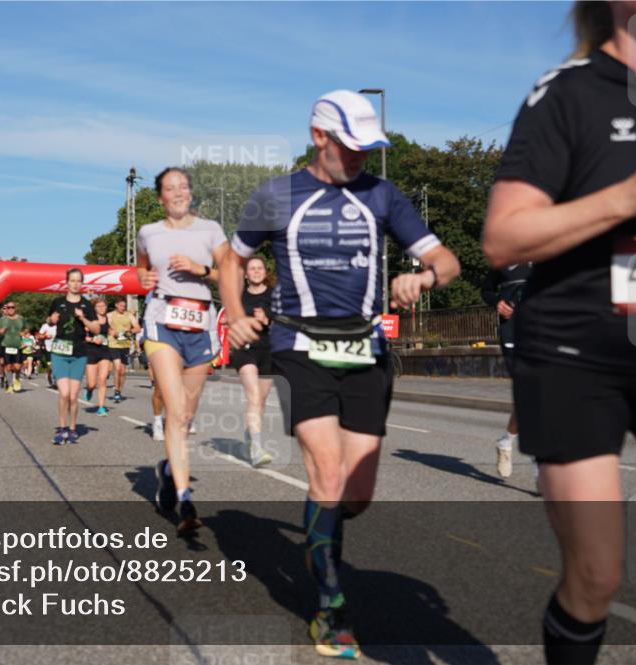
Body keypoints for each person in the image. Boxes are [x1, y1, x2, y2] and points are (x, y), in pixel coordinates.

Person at [481, 3, 636, 664]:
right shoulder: (569, 92)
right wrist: (631, 197)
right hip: (576, 354)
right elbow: (502, 237)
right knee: (598, 574)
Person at [221, 90, 460, 658]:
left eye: (366, 149)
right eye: (349, 147)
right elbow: (230, 259)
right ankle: (331, 609)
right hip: (299, 344)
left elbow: (445, 261)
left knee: (356, 495)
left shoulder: (382, 194)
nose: (358, 158)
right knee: (326, 476)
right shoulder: (276, 195)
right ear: (318, 136)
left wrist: (422, 280)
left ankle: (322, 525)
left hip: (366, 348)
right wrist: (233, 315)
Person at [138, 167, 230, 534]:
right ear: (160, 198)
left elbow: (231, 274)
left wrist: (200, 268)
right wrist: (142, 278)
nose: (177, 192)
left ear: (190, 193)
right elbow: (140, 268)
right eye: (168, 188)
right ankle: (184, 497)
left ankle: (164, 471)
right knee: (175, 411)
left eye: (183, 186)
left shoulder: (211, 231)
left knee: (186, 417)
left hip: (200, 325)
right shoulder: (149, 233)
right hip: (161, 320)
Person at [480, 264, 531, 478]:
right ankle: (542, 471)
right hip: (513, 333)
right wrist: (497, 303)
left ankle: (506, 442)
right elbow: (486, 290)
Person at [228, 256, 275, 468]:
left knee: (261, 400)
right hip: (244, 350)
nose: (256, 271)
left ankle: (251, 435)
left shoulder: (276, 296)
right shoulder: (238, 296)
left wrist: (268, 321)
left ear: (265, 272)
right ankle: (257, 448)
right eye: (252, 269)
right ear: (246, 274)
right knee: (254, 395)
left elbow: (286, 323)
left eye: (259, 268)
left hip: (268, 350)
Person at [48, 269, 100, 444]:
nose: (75, 284)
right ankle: (61, 428)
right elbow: (49, 320)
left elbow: (96, 329)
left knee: (73, 395)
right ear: (67, 282)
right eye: (72, 280)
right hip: (60, 352)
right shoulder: (57, 302)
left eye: (79, 281)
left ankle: (72, 428)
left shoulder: (86, 305)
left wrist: (83, 318)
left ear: (82, 284)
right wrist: (51, 321)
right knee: (64, 393)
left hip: (79, 353)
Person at [83, 299, 114, 415]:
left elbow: (112, 331)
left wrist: (114, 333)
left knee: (102, 379)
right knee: (92, 383)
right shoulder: (90, 320)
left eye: (104, 306)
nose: (102, 308)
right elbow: (82, 336)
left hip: (104, 352)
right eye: (99, 306)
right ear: (94, 308)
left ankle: (101, 407)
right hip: (90, 351)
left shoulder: (108, 319)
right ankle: (89, 390)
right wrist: (92, 339)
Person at [107, 297, 141, 403]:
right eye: (121, 305)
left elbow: (138, 328)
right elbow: (106, 326)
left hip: (125, 344)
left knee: (122, 371)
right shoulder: (110, 315)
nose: (123, 307)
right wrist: (112, 331)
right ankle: (116, 392)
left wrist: (129, 330)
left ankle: (119, 390)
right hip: (113, 344)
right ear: (116, 305)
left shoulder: (129, 315)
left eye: (124, 306)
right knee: (117, 367)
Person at [0, 301, 26, 393]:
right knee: (8, 367)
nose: (10, 309)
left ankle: (17, 378)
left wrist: (24, 334)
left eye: (12, 307)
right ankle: (10, 385)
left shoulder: (21, 318)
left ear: (15, 308)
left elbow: (26, 330)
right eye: (8, 307)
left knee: (17, 367)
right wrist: (0, 332)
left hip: (18, 345)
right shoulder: (2, 319)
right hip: (6, 345)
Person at [37, 320, 57, 388]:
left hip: (59, 349)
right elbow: (39, 336)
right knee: (51, 366)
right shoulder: (45, 326)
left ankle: (55, 381)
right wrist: (45, 336)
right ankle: (49, 375)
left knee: (58, 365)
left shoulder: (62, 325)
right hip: (49, 348)